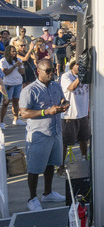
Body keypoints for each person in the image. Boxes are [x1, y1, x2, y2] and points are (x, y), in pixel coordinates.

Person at [19, 59, 70, 211]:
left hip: (55, 131)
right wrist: (46, 111)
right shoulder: (29, 90)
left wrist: (64, 103)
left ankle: (47, 193)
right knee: (34, 168)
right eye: (47, 70)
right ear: (38, 71)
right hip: (39, 134)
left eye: (52, 70)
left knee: (51, 164)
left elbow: (62, 98)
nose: (51, 73)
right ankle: (32, 198)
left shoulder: (55, 85)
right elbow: (23, 113)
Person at [59, 59, 90, 176]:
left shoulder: (86, 76)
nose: (81, 68)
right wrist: (80, 77)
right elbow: (71, 87)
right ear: (73, 66)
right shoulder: (66, 76)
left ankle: (84, 159)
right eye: (79, 66)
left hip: (83, 113)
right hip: (69, 115)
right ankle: (61, 166)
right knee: (65, 142)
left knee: (84, 138)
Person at [0, 45, 25, 128]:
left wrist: (19, 66)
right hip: (8, 84)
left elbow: (22, 72)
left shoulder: (18, 60)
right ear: (8, 52)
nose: (14, 53)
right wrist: (14, 66)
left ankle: (16, 119)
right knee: (6, 103)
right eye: (13, 51)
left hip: (18, 83)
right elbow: (5, 73)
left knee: (16, 101)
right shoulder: (3, 61)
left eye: (15, 51)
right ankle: (1, 122)